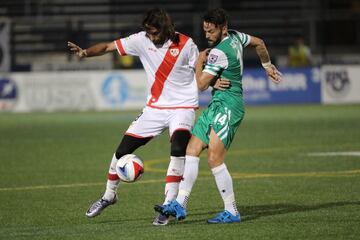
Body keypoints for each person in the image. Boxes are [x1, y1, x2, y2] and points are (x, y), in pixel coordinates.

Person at [68, 8, 203, 226]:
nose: (152, 37)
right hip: (154, 109)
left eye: (155, 33)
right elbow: (108, 47)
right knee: (121, 151)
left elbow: (201, 74)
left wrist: (214, 83)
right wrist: (85, 53)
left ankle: (168, 205)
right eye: (149, 33)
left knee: (178, 149)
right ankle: (109, 195)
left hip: (183, 107)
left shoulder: (188, 46)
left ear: (165, 28)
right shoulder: (140, 40)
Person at [155, 8, 282, 224]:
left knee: (214, 158)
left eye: (211, 31)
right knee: (192, 149)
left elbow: (200, 85)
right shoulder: (235, 36)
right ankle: (180, 204)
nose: (207, 35)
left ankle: (231, 211)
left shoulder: (218, 53)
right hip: (217, 104)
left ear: (222, 28)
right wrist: (267, 66)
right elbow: (259, 42)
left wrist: (198, 64)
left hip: (229, 106)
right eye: (205, 31)